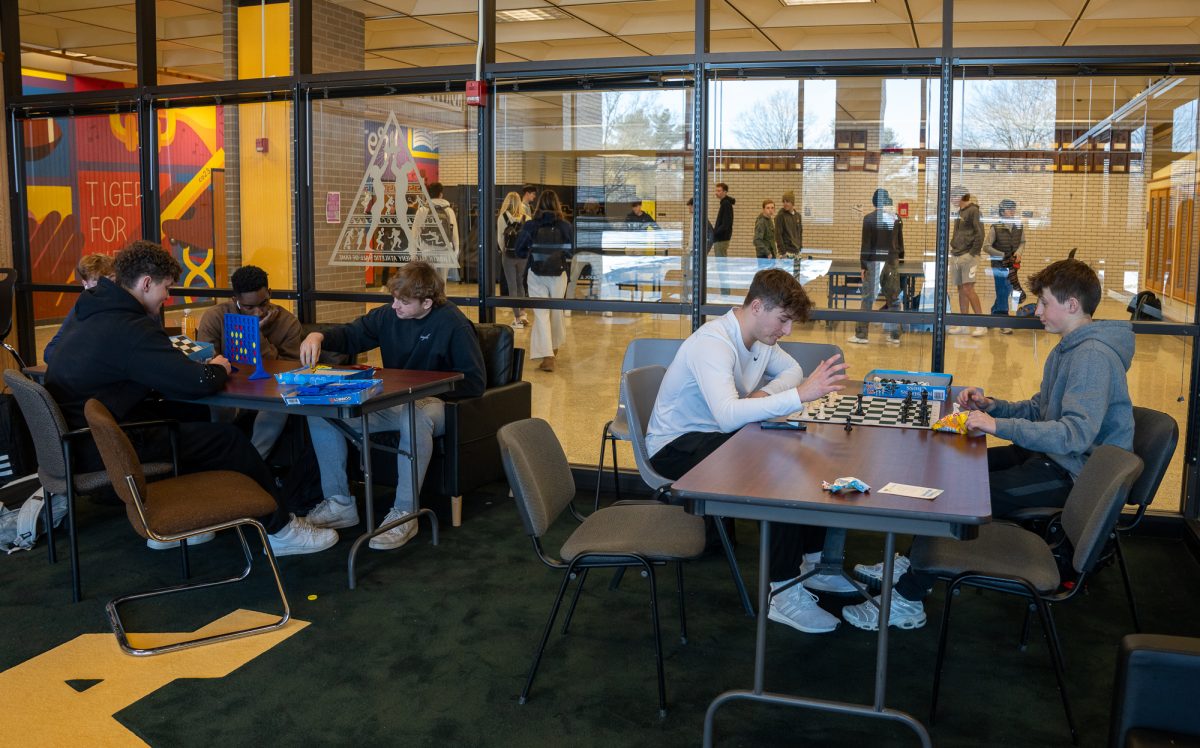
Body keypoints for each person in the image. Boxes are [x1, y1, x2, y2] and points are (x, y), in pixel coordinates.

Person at [844, 258, 1135, 631]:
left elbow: (1074, 434)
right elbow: (1039, 408)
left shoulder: (1091, 356)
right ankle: (916, 557)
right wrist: (992, 406)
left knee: (959, 500)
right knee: (952, 477)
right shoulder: (1070, 347)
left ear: (1072, 305)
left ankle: (908, 599)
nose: (1037, 311)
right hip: (1049, 455)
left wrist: (997, 425)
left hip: (1074, 474)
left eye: (1045, 303)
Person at [44, 241, 337, 556]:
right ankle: (280, 529)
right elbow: (197, 381)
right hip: (105, 444)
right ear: (145, 284)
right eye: (165, 288)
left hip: (76, 438)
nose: (167, 298)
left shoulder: (89, 309)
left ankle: (192, 520)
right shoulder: (130, 327)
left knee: (187, 412)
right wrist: (218, 368)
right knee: (228, 440)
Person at [647, 268, 854, 634]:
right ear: (757, 306)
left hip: (713, 436)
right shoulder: (713, 342)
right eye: (784, 320)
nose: (787, 331)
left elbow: (792, 369)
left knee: (803, 447)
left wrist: (761, 397)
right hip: (675, 447)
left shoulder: (758, 340)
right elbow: (728, 417)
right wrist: (799, 395)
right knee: (776, 467)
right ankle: (782, 593)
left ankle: (814, 564)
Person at [299, 261, 485, 550]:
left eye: (403, 301)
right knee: (322, 411)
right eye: (394, 298)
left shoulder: (454, 324)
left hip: (439, 403)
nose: (395, 305)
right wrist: (318, 336)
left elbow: (474, 382)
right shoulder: (388, 316)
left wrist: (423, 388)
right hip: (397, 399)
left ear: (427, 302)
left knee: (416, 414)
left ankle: (405, 514)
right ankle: (339, 503)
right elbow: (351, 334)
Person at [196, 265, 303, 459]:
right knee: (217, 405)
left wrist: (256, 335)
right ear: (235, 300)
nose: (258, 312)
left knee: (279, 408)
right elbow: (207, 362)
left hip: (268, 392)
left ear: (269, 293)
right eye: (249, 307)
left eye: (263, 303)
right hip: (228, 388)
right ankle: (219, 458)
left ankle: (252, 463)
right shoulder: (216, 317)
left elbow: (289, 372)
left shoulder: (288, 323)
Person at [515, 190, 572, 373]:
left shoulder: (531, 224)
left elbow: (519, 250)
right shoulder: (564, 225)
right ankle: (553, 348)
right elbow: (572, 250)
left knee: (541, 315)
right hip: (558, 273)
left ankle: (548, 357)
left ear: (539, 204)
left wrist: (532, 253)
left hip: (536, 274)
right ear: (557, 204)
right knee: (556, 313)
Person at [848, 188, 904, 346]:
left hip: (873, 263)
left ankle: (861, 335)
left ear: (874, 201)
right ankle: (895, 336)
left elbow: (866, 245)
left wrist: (863, 265)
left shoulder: (869, 219)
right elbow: (900, 243)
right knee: (893, 299)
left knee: (867, 298)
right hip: (891, 262)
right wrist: (897, 260)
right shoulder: (896, 218)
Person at [43, 253, 115, 364]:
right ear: (85, 284)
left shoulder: (122, 310)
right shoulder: (80, 309)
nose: (108, 287)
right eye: (98, 283)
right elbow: (49, 352)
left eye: (112, 281)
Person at [985, 198, 1025, 333]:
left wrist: (1019, 252)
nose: (1013, 211)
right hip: (998, 265)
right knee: (1002, 290)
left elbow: (1022, 242)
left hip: (1013, 264)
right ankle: (1003, 322)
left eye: (1014, 208)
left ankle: (993, 315)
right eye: (1010, 209)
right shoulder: (995, 227)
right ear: (1002, 211)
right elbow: (986, 246)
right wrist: (1001, 254)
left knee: (1006, 291)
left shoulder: (1019, 225)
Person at [948, 191, 986, 336]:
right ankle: (963, 325)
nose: (951, 199)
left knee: (968, 289)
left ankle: (981, 325)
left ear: (960, 196)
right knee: (961, 290)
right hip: (957, 254)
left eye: (953, 196)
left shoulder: (974, 211)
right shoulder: (960, 212)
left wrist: (971, 254)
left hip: (968, 256)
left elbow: (980, 234)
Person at [413, 182, 460, 281]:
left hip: (427, 250)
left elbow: (415, 234)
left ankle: (429, 297)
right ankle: (441, 296)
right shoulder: (449, 211)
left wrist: (416, 251)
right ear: (441, 194)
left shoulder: (422, 210)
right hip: (445, 250)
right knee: (442, 281)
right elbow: (454, 233)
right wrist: (455, 252)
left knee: (428, 280)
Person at [496, 191, 529, 329]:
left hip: (508, 255)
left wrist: (503, 250)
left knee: (512, 285)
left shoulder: (502, 218)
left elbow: (500, 238)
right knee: (521, 283)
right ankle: (523, 313)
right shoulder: (526, 217)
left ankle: (517, 318)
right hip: (522, 256)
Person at [711, 183, 735, 296]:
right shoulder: (725, 203)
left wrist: (714, 233)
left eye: (719, 191)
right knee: (722, 266)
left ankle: (725, 293)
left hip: (721, 240)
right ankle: (725, 292)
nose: (717, 192)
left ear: (725, 192)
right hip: (722, 239)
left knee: (722, 267)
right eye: (716, 190)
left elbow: (726, 225)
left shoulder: (726, 204)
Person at [775, 191, 803, 258]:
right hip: (786, 252)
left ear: (792, 202)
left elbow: (800, 233)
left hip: (797, 252)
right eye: (783, 201)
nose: (785, 204)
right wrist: (783, 252)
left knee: (797, 269)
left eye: (787, 201)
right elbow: (778, 235)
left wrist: (800, 246)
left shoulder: (798, 216)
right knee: (785, 269)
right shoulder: (780, 216)